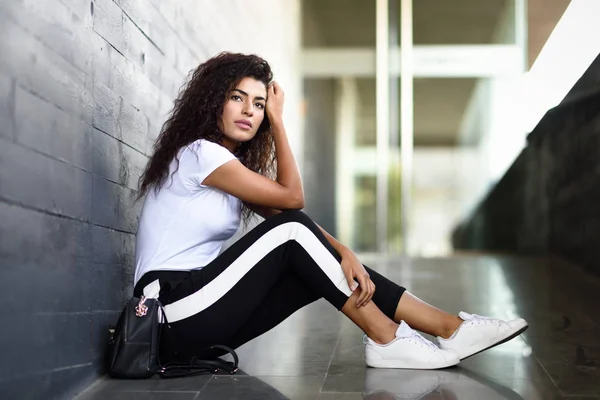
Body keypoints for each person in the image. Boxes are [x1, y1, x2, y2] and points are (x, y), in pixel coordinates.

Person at [133, 52, 528, 370]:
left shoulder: (230, 172)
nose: (250, 111)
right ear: (213, 99)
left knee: (310, 266)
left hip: (197, 321)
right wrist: (279, 122)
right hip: (165, 311)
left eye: (259, 104)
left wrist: (344, 253)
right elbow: (292, 202)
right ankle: (388, 337)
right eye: (237, 97)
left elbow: (292, 221)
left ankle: (447, 327)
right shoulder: (201, 155)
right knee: (292, 231)